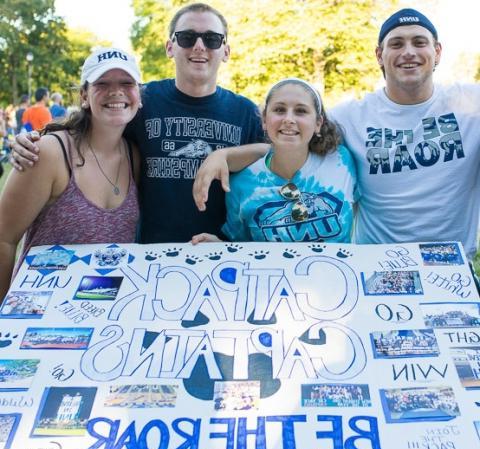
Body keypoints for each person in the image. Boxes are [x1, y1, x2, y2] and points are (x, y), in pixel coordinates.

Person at [193, 8, 480, 259]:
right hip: (378, 263)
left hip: (448, 262)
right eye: (396, 43)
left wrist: (228, 154)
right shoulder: (351, 117)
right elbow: (294, 138)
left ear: (437, 51)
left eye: (419, 42)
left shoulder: (471, 106)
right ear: (380, 55)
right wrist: (226, 155)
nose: (408, 52)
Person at [10, 3, 263, 243]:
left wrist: (226, 155)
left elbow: (281, 158)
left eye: (212, 39)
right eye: (186, 37)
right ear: (169, 47)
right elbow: (93, 127)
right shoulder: (142, 101)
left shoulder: (245, 112)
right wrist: (33, 140)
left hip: (222, 254)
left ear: (226, 51)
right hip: (148, 259)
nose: (199, 46)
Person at [0, 47, 142, 300]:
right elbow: (4, 238)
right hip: (38, 318)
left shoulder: (135, 156)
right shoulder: (48, 153)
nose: (116, 91)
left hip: (103, 312)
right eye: (102, 83)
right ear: (84, 96)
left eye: (126, 82)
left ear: (139, 96)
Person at [192, 78, 357, 244]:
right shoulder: (241, 184)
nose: (289, 119)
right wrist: (219, 247)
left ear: (318, 123)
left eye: (301, 111)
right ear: (264, 120)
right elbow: (241, 248)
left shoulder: (342, 161)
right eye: (279, 110)